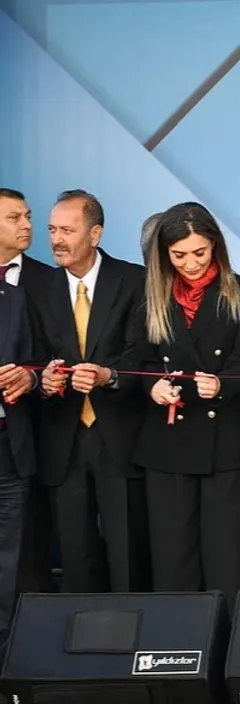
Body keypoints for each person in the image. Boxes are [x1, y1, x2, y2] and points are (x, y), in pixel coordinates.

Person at [133, 202, 240, 598]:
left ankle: (228, 635)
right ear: (164, 254)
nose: (190, 263)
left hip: (224, 446)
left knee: (228, 561)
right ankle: (180, 636)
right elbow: (137, 360)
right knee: (174, 561)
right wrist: (153, 386)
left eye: (199, 252)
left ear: (215, 246)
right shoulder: (149, 294)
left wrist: (221, 384)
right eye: (179, 255)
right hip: (167, 444)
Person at [31, 189, 150, 593]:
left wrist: (108, 376)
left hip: (119, 436)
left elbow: (143, 355)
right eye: (52, 230)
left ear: (95, 234)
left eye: (68, 230)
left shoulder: (133, 281)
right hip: (63, 439)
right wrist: (44, 380)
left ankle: (132, 627)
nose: (57, 240)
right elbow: (33, 356)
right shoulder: (38, 287)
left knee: (127, 556)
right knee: (75, 557)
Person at [0, 188, 57, 596]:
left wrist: (32, 379)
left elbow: (59, 353)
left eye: (29, 216)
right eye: (14, 218)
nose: (27, 225)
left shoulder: (47, 281)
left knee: (16, 561)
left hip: (18, 441)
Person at [0, 276, 39, 659]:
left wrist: (31, 377)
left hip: (9, 451)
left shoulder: (15, 297)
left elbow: (36, 361)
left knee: (7, 566)